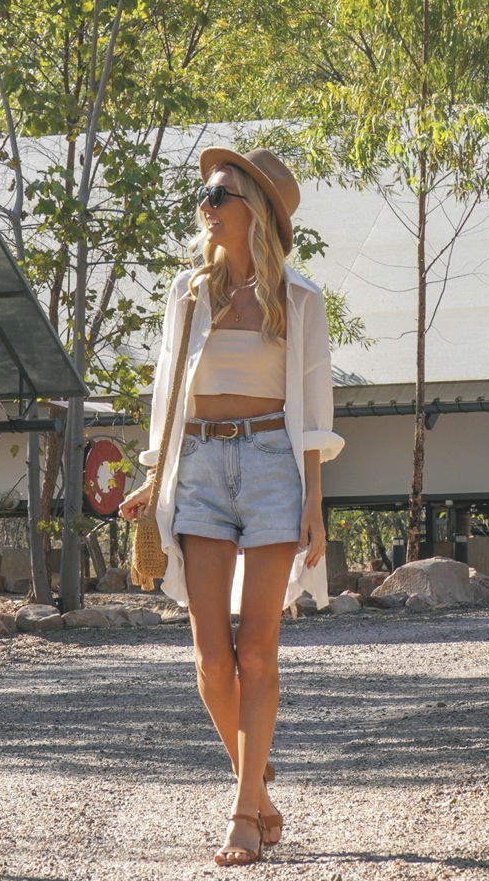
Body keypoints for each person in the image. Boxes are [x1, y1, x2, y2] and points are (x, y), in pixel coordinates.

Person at [119, 146, 341, 866]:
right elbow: (167, 395)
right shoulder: (189, 294)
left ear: (256, 210)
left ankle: (244, 814)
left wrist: (315, 502)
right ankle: (260, 787)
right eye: (205, 196)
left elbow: (314, 412)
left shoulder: (300, 299)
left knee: (257, 648)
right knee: (213, 660)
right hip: (200, 467)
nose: (205, 206)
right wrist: (154, 475)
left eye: (220, 195)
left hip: (275, 465)